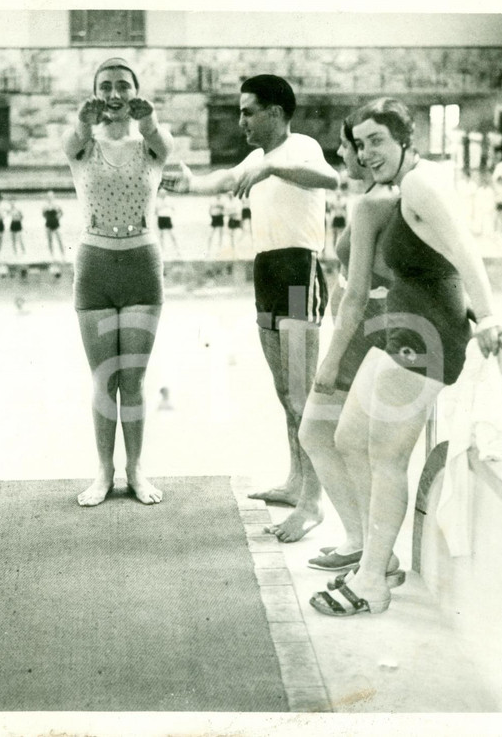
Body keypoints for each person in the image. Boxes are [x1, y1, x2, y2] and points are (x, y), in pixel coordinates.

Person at [307, 98, 502, 617]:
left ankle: (372, 581)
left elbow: (464, 251)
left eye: (378, 141)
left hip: (429, 337)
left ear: (404, 141)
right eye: (361, 143)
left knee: (386, 458)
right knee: (349, 437)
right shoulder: (402, 186)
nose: (367, 153)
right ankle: (377, 555)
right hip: (403, 331)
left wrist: (487, 318)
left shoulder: (420, 185)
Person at [163, 74, 339, 541]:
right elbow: (226, 179)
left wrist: (274, 170)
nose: (240, 120)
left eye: (247, 111)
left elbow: (332, 178)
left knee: (304, 397)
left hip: (299, 272)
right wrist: (189, 184)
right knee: (286, 393)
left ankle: (313, 502)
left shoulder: (300, 147)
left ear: (275, 113)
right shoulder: (258, 157)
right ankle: (295, 481)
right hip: (266, 273)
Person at [63, 57, 173, 507]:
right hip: (94, 269)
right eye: (105, 85)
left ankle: (136, 470)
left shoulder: (152, 141)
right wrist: (82, 122)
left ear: (136, 91)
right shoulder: (80, 143)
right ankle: (104, 472)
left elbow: (162, 144)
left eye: (123, 86)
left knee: (133, 378)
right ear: (94, 91)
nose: (114, 94)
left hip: (142, 269)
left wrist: (148, 122)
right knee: (103, 377)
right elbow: (71, 141)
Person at [298, 117, 397, 575]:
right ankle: (362, 541)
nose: (341, 155)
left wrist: (332, 358)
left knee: (321, 434)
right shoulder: (378, 199)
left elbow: (359, 292)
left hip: (360, 334)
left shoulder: (372, 204)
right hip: (364, 329)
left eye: (345, 147)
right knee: (336, 437)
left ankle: (365, 543)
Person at [42, 190, 65, 262]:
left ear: (53, 196)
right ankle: (52, 256)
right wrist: (48, 218)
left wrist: (57, 217)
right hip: (48, 224)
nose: (50, 197)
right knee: (50, 241)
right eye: (48, 196)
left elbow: (61, 213)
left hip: (56, 224)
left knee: (59, 240)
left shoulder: (57, 205)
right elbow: (43, 214)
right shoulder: (45, 206)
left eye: (51, 196)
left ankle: (63, 256)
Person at [155, 188, 180, 256]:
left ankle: (177, 250)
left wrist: (168, 209)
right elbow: (156, 210)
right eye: (161, 193)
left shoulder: (169, 199)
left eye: (163, 193)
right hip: (161, 218)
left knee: (172, 234)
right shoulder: (157, 200)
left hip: (167, 218)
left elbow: (173, 208)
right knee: (161, 235)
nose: (162, 194)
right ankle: (162, 250)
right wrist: (162, 207)